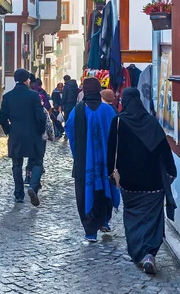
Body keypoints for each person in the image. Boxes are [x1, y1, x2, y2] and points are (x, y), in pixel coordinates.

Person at [107, 87, 177, 275]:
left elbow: (110, 152)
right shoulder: (152, 122)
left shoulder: (118, 122)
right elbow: (165, 152)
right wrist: (171, 174)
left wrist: (110, 176)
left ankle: (138, 252)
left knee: (132, 217)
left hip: (129, 183)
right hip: (153, 183)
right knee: (153, 218)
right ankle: (149, 255)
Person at [65, 77, 120, 242]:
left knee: (85, 194)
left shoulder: (78, 110)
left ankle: (90, 231)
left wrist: (78, 154)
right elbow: (118, 132)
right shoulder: (108, 110)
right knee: (105, 190)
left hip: (84, 162)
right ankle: (104, 221)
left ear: (84, 92)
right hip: (106, 161)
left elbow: (69, 129)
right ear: (98, 91)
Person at [0, 68, 46, 206]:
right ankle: (32, 187)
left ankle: (19, 194)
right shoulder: (34, 95)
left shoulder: (8, 96)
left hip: (16, 134)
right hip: (33, 134)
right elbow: (41, 116)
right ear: (27, 80)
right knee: (37, 161)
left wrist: (9, 130)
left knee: (16, 164)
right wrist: (39, 131)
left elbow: (2, 118)